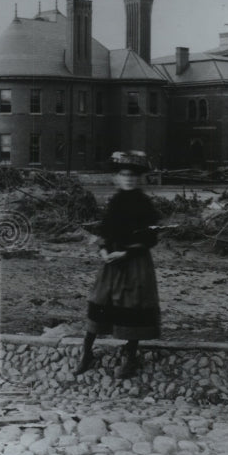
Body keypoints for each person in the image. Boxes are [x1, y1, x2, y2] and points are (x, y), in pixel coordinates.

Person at [75, 150, 161, 380]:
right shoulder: (115, 201)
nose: (128, 179)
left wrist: (126, 252)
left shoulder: (144, 204)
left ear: (138, 179)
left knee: (133, 306)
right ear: (118, 178)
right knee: (99, 302)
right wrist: (104, 250)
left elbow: (151, 236)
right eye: (124, 175)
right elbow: (106, 230)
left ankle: (130, 356)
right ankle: (86, 353)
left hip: (135, 263)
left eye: (133, 176)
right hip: (112, 264)